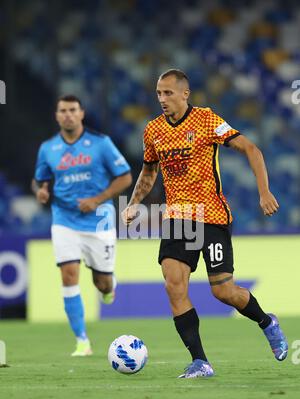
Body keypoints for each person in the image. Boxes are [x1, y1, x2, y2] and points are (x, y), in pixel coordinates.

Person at [122, 69, 288, 378]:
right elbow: (148, 172)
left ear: (185, 94)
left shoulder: (206, 120)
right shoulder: (153, 130)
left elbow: (252, 149)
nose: (162, 99)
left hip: (210, 214)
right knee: (174, 284)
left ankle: (267, 322)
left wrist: (264, 192)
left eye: (168, 93)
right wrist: (133, 204)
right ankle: (201, 361)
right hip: (177, 219)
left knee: (224, 292)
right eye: (158, 93)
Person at [33, 95, 132, 356]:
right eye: (62, 110)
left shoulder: (101, 144)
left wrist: (97, 199)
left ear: (81, 113)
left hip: (99, 221)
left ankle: (109, 285)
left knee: (103, 284)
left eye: (72, 110)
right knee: (68, 274)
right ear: (57, 115)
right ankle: (82, 340)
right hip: (64, 220)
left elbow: (125, 177)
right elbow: (40, 179)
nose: (67, 114)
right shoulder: (48, 148)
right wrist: (41, 191)